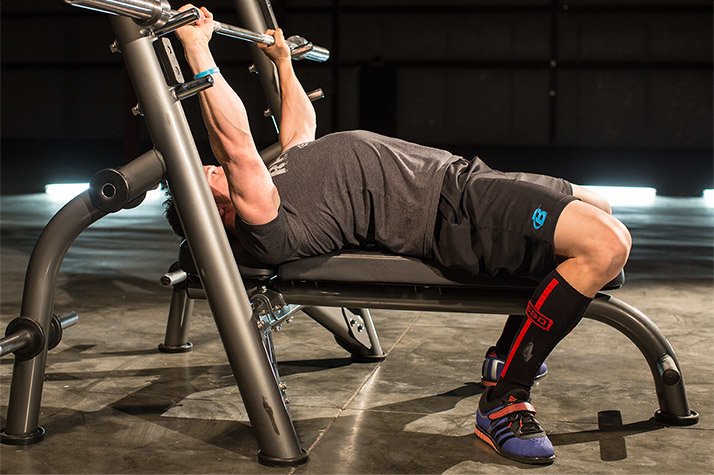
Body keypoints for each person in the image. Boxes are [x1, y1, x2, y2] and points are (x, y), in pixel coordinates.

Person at [170, 5, 631, 466]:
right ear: (213, 213)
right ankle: (505, 398)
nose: (202, 169)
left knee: (600, 211)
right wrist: (196, 48)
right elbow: (235, 147)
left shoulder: (278, 176)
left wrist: (283, 64)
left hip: (462, 179)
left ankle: (506, 355)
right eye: (198, 178)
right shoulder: (264, 222)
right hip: (452, 213)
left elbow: (300, 129)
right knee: (605, 244)